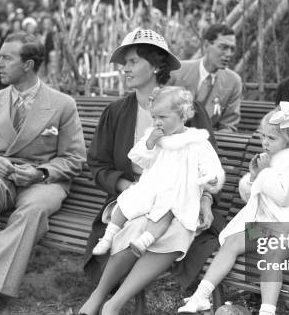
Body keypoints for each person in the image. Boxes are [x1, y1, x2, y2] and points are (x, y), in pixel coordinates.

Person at [77, 28, 226, 315]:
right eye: (125, 62)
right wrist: (125, 184)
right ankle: (99, 298)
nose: (126, 68)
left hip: (181, 199)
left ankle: (112, 306)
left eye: (132, 61)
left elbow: (207, 165)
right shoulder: (117, 112)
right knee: (137, 221)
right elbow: (98, 165)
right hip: (134, 194)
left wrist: (207, 200)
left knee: (164, 229)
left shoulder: (187, 109)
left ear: (156, 65)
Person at [0, 32, 86, 315]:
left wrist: (41, 172)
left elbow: (75, 159)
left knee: (34, 211)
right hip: (2, 174)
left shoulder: (62, 104)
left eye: (6, 58)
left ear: (28, 65)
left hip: (43, 181)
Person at [179, 101, 289, 315]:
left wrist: (264, 174)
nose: (265, 142)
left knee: (272, 252)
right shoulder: (270, 161)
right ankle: (202, 294)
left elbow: (283, 197)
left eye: (272, 138)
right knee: (233, 241)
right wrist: (254, 177)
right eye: (263, 136)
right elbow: (251, 198)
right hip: (272, 226)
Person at [92, 86, 225, 257]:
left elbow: (209, 164)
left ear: (183, 116)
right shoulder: (155, 138)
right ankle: (107, 237)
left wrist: (211, 178)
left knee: (167, 212)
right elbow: (140, 158)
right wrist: (150, 143)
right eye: (154, 117)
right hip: (153, 185)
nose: (157, 122)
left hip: (178, 190)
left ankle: (145, 240)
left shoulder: (196, 141)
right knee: (127, 201)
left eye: (162, 117)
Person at [169, 24, 242, 132]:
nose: (228, 54)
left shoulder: (233, 82)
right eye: (224, 47)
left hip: (208, 141)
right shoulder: (177, 71)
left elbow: (228, 125)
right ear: (206, 45)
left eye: (232, 49)